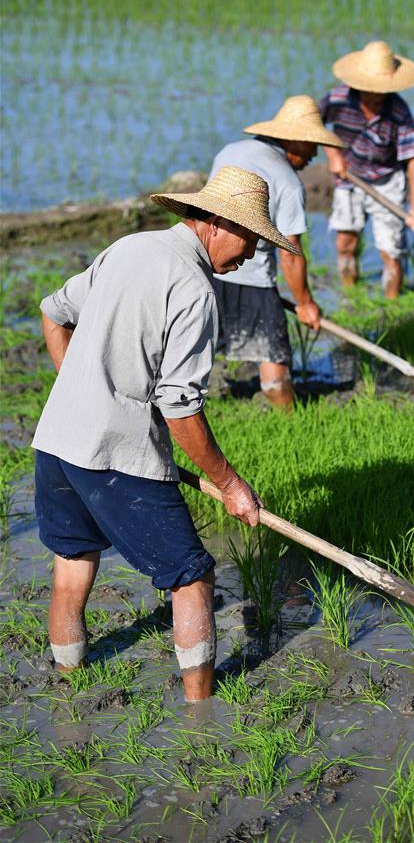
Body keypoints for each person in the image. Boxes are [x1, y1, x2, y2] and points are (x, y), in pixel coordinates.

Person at [32, 166, 298, 703]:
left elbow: (53, 313)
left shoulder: (129, 247)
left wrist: (81, 390)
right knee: (192, 577)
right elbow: (181, 410)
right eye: (249, 239)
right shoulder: (195, 289)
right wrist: (228, 483)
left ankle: (68, 690)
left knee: (74, 558)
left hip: (56, 440)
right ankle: (202, 711)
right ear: (217, 224)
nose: (250, 255)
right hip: (113, 453)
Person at [209, 95, 344, 408]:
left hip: (209, 269)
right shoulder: (287, 182)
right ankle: (289, 421)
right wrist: (306, 303)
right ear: (293, 141)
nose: (315, 154)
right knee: (273, 365)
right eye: (312, 145)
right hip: (252, 278)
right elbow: (290, 252)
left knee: (195, 350)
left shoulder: (230, 152)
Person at [319, 40, 414, 298]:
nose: (377, 96)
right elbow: (311, 123)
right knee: (346, 243)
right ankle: (350, 296)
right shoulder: (338, 98)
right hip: (349, 178)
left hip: (386, 181)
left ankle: (392, 305)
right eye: (371, 90)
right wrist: (333, 154)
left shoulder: (399, 111)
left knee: (390, 252)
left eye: (382, 90)